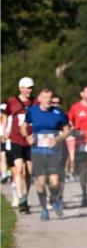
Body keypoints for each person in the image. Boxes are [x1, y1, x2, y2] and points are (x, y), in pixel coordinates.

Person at [21, 87, 69, 219]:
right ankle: (44, 209)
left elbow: (67, 130)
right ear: (39, 99)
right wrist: (27, 137)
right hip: (37, 151)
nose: (49, 100)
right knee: (40, 183)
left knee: (55, 182)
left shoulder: (58, 112)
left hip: (53, 151)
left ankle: (54, 200)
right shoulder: (32, 111)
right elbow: (23, 127)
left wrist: (57, 139)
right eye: (46, 97)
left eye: (50, 97)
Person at [4, 77, 34, 213]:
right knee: (19, 169)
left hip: (29, 141)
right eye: (27, 87)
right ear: (21, 88)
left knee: (29, 171)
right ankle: (21, 198)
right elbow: (5, 116)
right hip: (15, 139)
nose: (30, 90)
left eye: (31, 87)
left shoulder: (35, 102)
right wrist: (5, 130)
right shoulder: (12, 101)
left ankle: (25, 198)